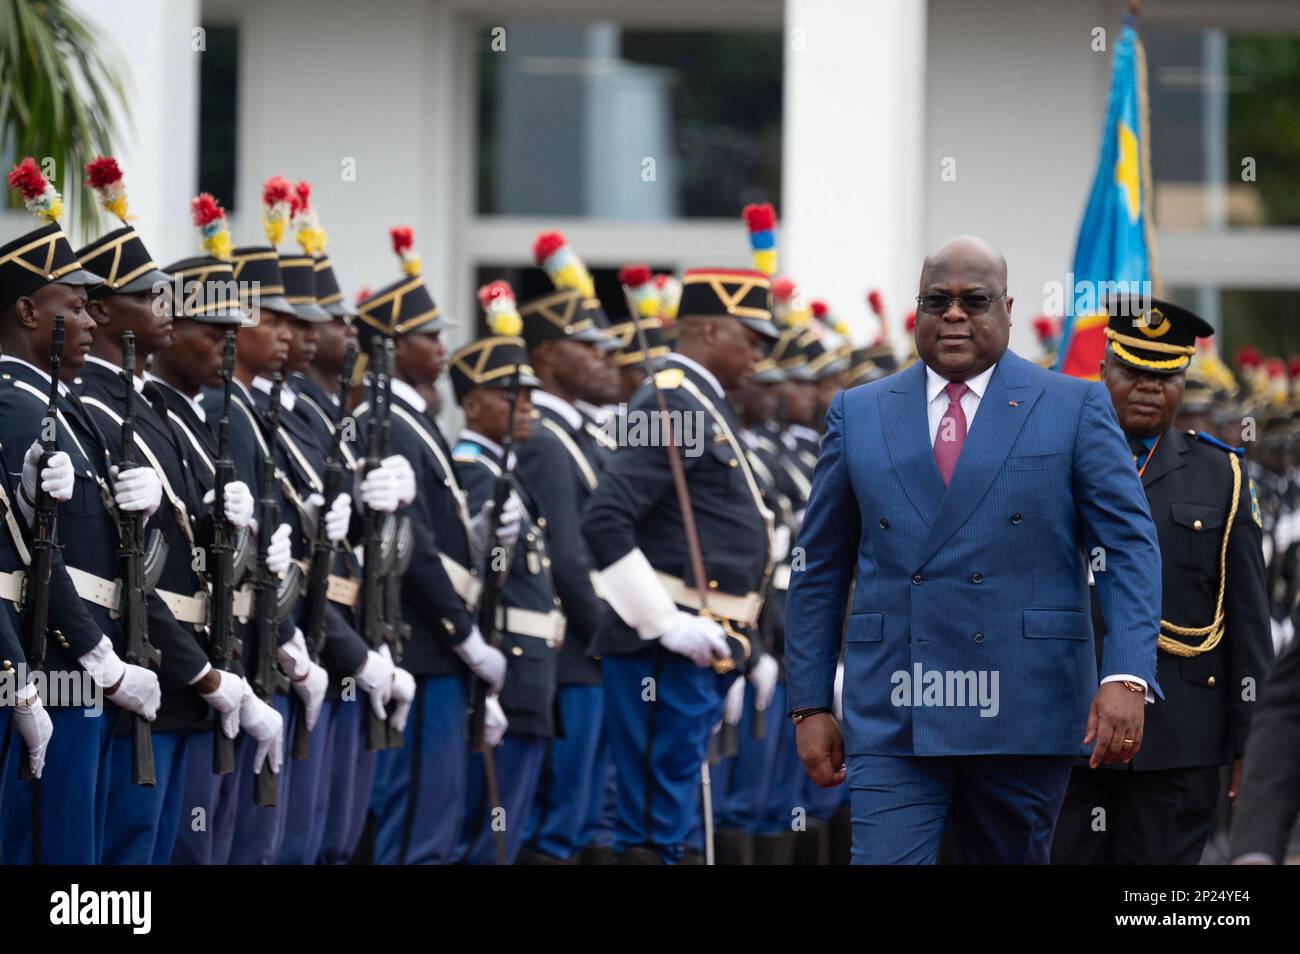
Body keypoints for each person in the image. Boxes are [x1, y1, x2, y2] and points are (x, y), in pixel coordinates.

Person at [785, 235, 1163, 865]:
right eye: (937, 300)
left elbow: (1127, 547)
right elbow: (819, 566)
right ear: (917, 311)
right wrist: (809, 703)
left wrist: (1126, 674)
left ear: (1008, 308)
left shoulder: (1072, 405)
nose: (954, 315)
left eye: (974, 300)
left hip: (1023, 701)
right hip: (895, 708)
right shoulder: (860, 411)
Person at [74, 167, 256, 863]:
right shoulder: (95, 404)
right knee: (125, 858)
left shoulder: (150, 409)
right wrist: (199, 671)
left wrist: (224, 527)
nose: (164, 310)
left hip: (181, 666)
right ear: (104, 310)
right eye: (148, 298)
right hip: (141, 666)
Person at [1052, 297, 1273, 865]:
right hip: (1065, 727)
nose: (1149, 387)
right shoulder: (1053, 458)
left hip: (1179, 740)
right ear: (1103, 371)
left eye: (1166, 375)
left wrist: (1255, 741)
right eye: (1133, 370)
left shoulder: (1220, 473)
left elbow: (1246, 616)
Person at [583, 266, 778, 864]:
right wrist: (663, 621)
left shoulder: (701, 403)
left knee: (675, 821)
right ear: (712, 331)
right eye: (751, 339)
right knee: (652, 824)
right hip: (666, 649)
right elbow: (605, 519)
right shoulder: (673, 400)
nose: (758, 357)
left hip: (706, 643)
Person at [0, 158, 163, 864]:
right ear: (28, 312)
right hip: (49, 661)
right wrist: (100, 657)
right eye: (71, 306)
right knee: (51, 854)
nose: (90, 322)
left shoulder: (56, 407)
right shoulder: (14, 402)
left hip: (77, 665)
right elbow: (35, 553)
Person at [359, 227, 509, 865]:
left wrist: (477, 536)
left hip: (436, 648)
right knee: (418, 823)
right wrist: (462, 634)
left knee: (437, 820)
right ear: (394, 346)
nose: (443, 348)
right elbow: (408, 546)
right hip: (420, 644)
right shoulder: (386, 418)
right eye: (430, 337)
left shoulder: (414, 419)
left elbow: (435, 533)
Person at [502, 271, 614, 865]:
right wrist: (609, 635)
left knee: (585, 816)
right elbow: (566, 555)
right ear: (547, 355)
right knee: (558, 818)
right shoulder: (544, 439)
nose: (604, 358)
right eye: (588, 347)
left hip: (590, 651)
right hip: (575, 650)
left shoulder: (578, 434)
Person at [449, 329, 561, 863]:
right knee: (487, 831)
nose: (526, 407)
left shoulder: (502, 473)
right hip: (506, 665)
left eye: (531, 396)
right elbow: (475, 583)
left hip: (528, 667)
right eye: (509, 395)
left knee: (506, 827)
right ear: (471, 404)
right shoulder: (474, 473)